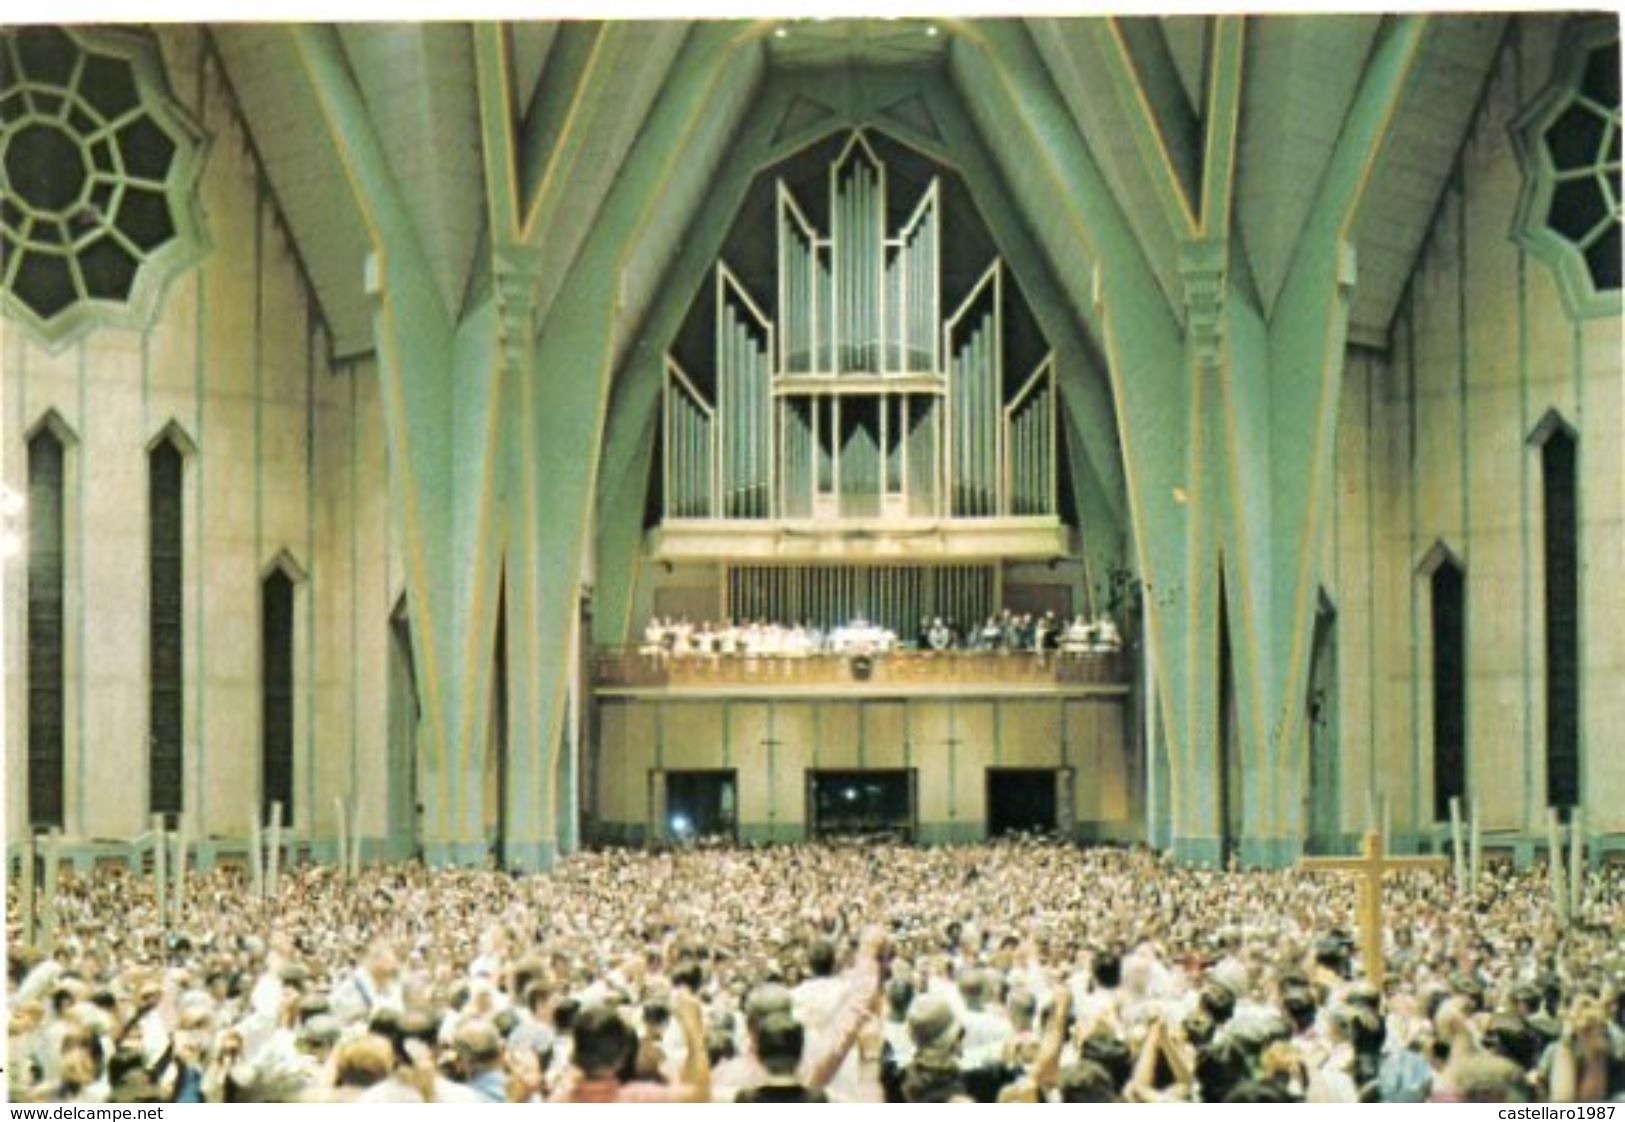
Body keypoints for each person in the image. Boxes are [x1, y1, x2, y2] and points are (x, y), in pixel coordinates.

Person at [550, 989, 710, 1102]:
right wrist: (694, 1034)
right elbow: (698, 1096)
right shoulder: (638, 1099)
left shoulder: (559, 1099)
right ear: (621, 1057)